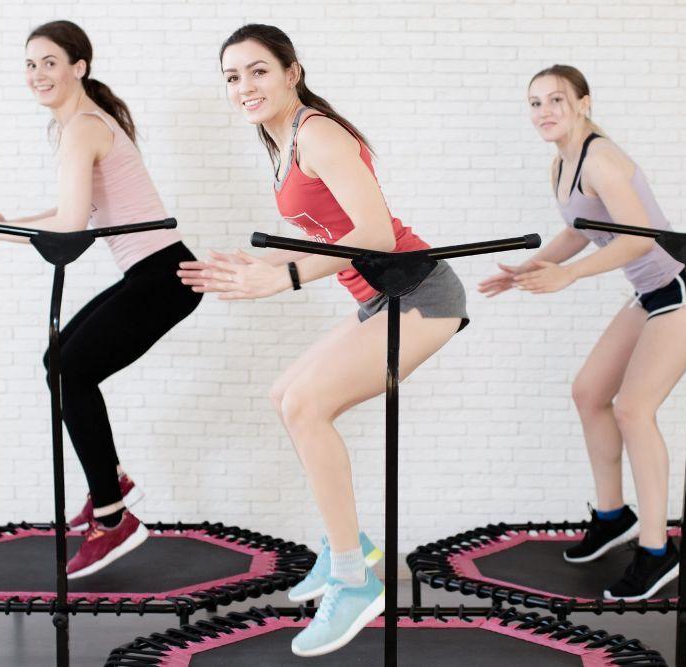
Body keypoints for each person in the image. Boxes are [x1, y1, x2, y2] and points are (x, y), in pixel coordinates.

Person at [178, 24, 468, 657]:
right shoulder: (279, 138)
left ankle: (354, 579)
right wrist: (259, 268)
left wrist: (282, 277)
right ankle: (356, 546)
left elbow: (376, 235)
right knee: (286, 395)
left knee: (308, 406)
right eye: (232, 77)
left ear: (293, 72)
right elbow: (328, 235)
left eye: (258, 71)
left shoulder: (318, 133)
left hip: (421, 294)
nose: (245, 87)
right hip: (377, 299)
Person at [0, 20, 201, 579]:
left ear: (79, 66)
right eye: (30, 64)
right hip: (153, 275)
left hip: (164, 276)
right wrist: (4, 224)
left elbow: (68, 226)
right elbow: (78, 216)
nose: (38, 74)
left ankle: (113, 519)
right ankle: (113, 481)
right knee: (58, 365)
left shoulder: (83, 126)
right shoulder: (81, 125)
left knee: (70, 372)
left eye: (50, 62)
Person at [480, 64, 686, 601]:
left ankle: (659, 552)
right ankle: (613, 516)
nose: (544, 112)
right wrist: (527, 269)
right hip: (651, 295)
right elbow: (580, 230)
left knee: (633, 409)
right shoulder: (561, 164)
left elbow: (642, 241)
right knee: (590, 392)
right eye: (535, 103)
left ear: (584, 103)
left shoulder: (603, 158)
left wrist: (568, 275)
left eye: (556, 101)